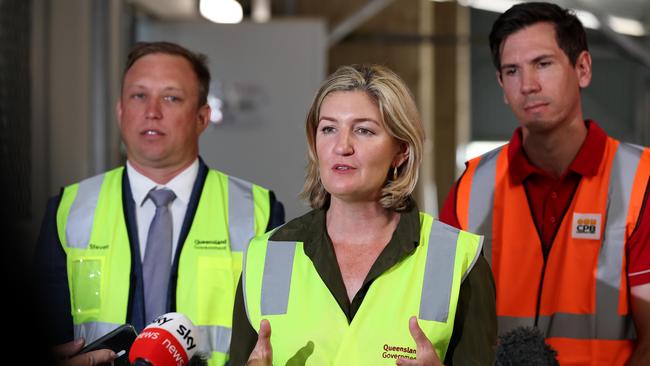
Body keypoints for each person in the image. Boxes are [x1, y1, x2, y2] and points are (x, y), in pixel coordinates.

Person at [35, 41, 284, 366]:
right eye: (139, 96)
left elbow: (279, 334)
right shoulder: (67, 211)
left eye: (171, 97)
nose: (152, 111)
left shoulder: (261, 213)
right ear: (120, 111)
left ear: (202, 117)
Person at [229, 64, 496, 365]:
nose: (341, 146)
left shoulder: (457, 258)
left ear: (402, 150)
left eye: (364, 130)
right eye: (328, 128)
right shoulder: (265, 257)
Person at [439, 2, 650, 365]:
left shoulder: (641, 182)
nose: (528, 85)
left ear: (582, 68)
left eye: (543, 64)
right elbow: (440, 328)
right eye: (512, 71)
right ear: (502, 86)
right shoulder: (470, 189)